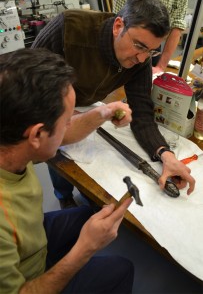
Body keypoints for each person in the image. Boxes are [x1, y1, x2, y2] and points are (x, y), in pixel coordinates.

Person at [32, 0, 195, 209]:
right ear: (118, 26)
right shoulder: (69, 29)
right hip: (51, 99)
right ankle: (63, 196)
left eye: (152, 51)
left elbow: (142, 112)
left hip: (89, 102)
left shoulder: (141, 58)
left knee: (86, 160)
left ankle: (84, 194)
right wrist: (65, 113)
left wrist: (164, 153)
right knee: (59, 154)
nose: (142, 59)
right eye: (139, 46)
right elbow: (30, 82)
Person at [0, 48, 134, 293]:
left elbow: (62, 135)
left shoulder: (11, 136)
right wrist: (85, 248)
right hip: (27, 280)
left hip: (31, 236)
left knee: (84, 214)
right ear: (37, 135)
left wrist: (102, 113)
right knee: (121, 268)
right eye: (66, 121)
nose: (70, 126)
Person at [113, 0, 190, 74]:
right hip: (125, 42)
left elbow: (177, 25)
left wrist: (160, 67)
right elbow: (118, 19)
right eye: (140, 46)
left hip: (153, 46)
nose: (142, 60)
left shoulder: (147, 54)